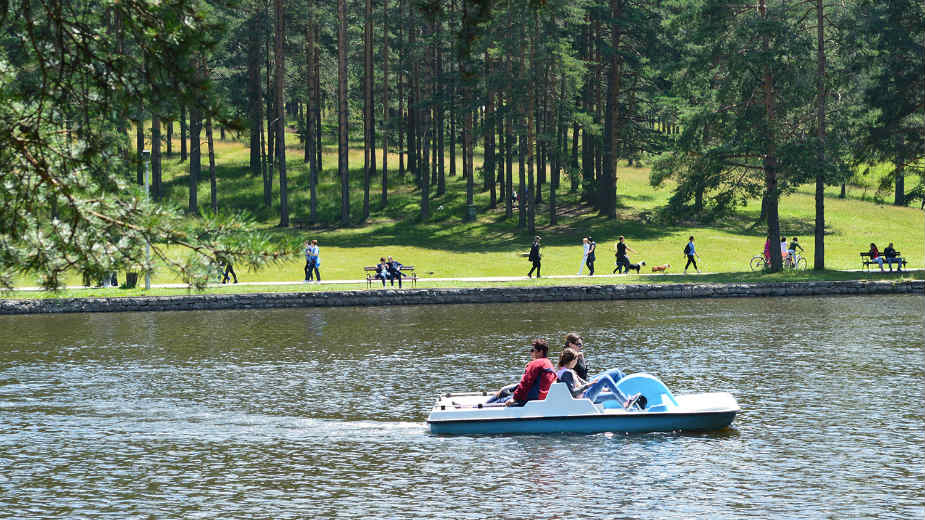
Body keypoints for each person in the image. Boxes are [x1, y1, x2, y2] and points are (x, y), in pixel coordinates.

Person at [489, 339, 557, 407]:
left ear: (541, 351)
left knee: (499, 401)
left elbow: (525, 383)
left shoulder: (536, 364)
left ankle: (484, 406)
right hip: (543, 397)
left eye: (533, 350)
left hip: (532, 398)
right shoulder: (549, 364)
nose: (531, 353)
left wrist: (515, 399)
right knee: (504, 392)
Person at [556, 348, 630, 405]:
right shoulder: (566, 373)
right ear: (572, 361)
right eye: (576, 360)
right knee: (605, 378)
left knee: (613, 395)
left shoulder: (568, 371)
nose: (577, 362)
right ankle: (626, 401)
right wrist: (589, 385)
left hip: (585, 395)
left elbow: (583, 382)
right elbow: (573, 393)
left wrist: (602, 389)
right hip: (584, 399)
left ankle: (630, 409)